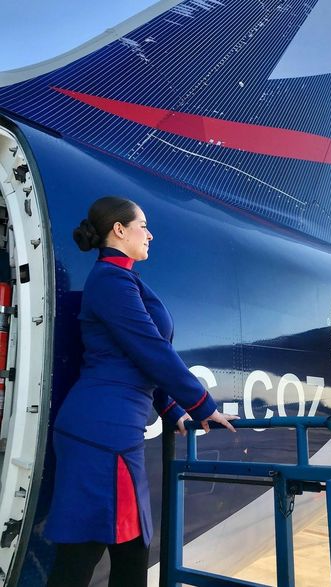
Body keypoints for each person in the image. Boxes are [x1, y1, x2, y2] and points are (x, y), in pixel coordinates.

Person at [45, 196, 237, 587]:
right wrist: (202, 405)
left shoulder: (120, 279)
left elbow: (135, 358)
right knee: (105, 553)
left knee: (107, 550)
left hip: (107, 431)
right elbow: (151, 348)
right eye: (143, 225)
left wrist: (171, 412)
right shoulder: (111, 281)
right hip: (103, 435)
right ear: (119, 229)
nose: (150, 234)